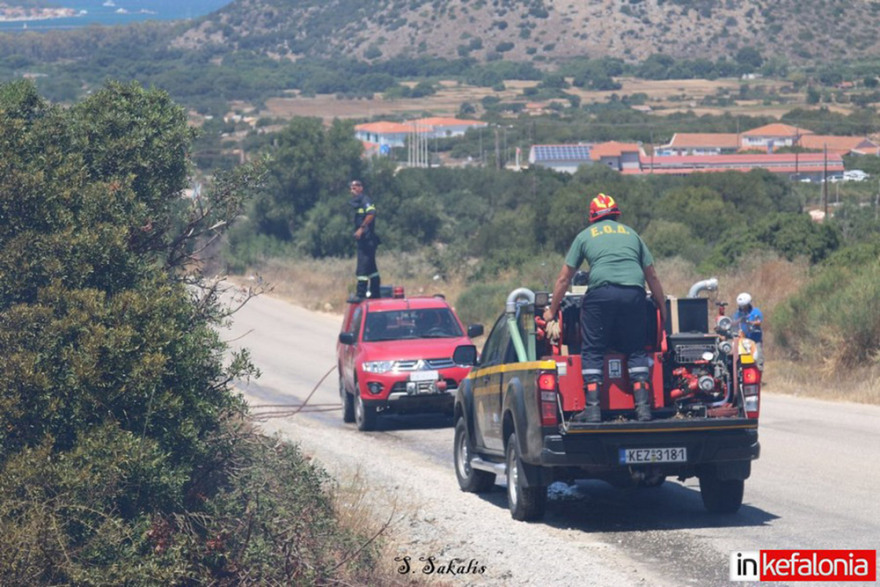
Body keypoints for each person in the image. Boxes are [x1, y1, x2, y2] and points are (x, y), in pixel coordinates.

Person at [542, 193, 667, 423]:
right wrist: (662, 307)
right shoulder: (632, 234)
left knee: (593, 349)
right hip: (634, 295)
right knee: (636, 349)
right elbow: (652, 276)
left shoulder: (585, 236)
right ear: (616, 214)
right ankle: (643, 409)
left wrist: (552, 310)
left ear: (592, 216)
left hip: (600, 296)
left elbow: (563, 279)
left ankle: (593, 409)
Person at [348, 180, 381, 298]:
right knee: (372, 269)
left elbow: (371, 214)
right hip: (363, 241)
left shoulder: (365, 200)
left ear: (361, 188)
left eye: (355, 186)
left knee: (362, 268)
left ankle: (361, 294)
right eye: (351, 187)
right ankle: (375, 293)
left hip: (368, 240)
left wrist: (361, 229)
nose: (353, 189)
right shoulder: (357, 203)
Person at [733, 292, 764, 371]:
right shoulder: (737, 314)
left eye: (744, 306)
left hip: (755, 339)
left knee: (758, 358)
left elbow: (759, 322)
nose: (743, 308)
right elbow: (733, 323)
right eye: (741, 306)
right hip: (744, 341)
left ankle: (758, 375)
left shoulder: (755, 312)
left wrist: (750, 322)